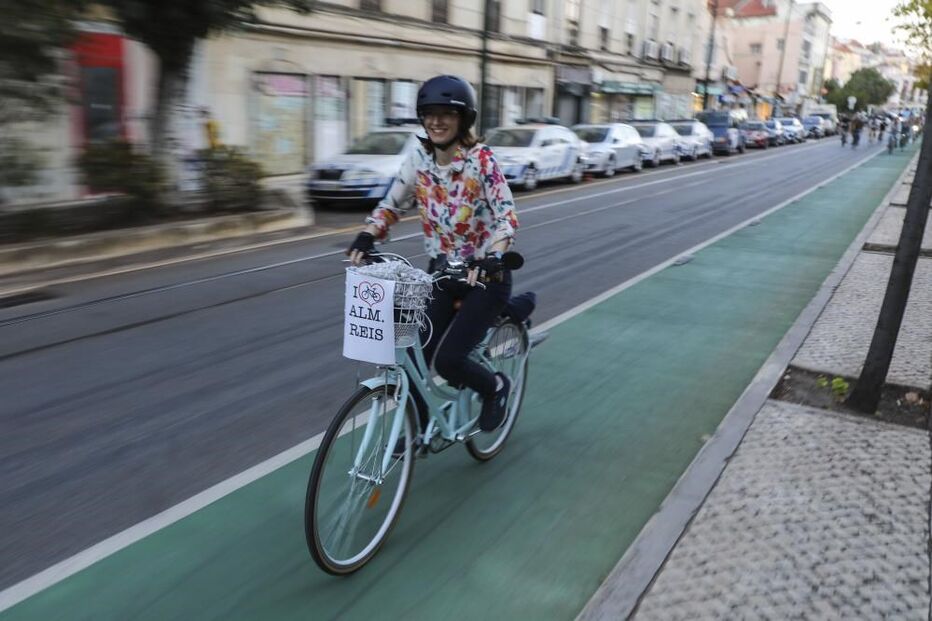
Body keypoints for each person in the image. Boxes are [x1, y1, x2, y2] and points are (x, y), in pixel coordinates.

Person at [347, 75, 520, 432]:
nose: (437, 121)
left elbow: (506, 217)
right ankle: (417, 429)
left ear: (463, 119)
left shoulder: (481, 161)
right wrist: (367, 234)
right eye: (429, 113)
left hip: (483, 277)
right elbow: (391, 204)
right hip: (441, 275)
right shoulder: (419, 162)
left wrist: (494, 256)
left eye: (447, 114)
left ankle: (495, 388)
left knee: (450, 360)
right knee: (412, 353)